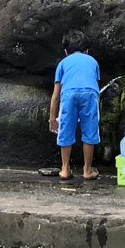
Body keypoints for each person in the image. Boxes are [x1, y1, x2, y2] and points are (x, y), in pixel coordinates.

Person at [47, 28, 101, 181]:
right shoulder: (93, 62)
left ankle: (65, 169)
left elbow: (55, 96)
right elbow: (93, 84)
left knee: (66, 130)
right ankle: (87, 170)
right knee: (90, 131)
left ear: (66, 51)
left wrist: (52, 118)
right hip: (90, 94)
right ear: (87, 50)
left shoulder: (63, 63)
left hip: (68, 95)